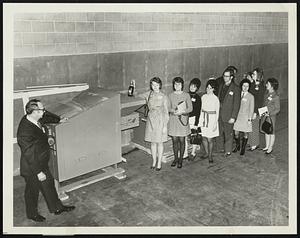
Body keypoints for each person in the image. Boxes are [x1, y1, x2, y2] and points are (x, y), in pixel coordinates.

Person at [17, 99, 75, 222]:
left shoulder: (34, 117)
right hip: (32, 167)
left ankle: (57, 208)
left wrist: (59, 119)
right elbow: (29, 154)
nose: (45, 111)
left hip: (41, 161)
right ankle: (31, 214)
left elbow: (47, 116)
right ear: (34, 112)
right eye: (42, 110)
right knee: (32, 191)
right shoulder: (25, 131)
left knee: (49, 186)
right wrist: (38, 172)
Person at [139, 77, 169, 171]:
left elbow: (166, 112)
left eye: (156, 85)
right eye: (153, 85)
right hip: (151, 119)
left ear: (160, 85)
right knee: (152, 142)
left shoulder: (164, 96)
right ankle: (154, 161)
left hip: (160, 120)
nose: (155, 87)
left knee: (159, 143)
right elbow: (137, 96)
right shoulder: (149, 93)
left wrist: (165, 125)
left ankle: (159, 162)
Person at [168, 77, 193, 168]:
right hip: (174, 120)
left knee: (182, 140)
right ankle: (175, 158)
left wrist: (182, 112)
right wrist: (173, 111)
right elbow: (168, 107)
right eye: (175, 84)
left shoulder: (186, 95)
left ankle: (181, 159)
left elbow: (190, 108)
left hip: (182, 119)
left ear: (182, 85)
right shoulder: (170, 95)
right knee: (174, 140)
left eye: (178, 84)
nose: (177, 86)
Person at [216, 68, 241, 157]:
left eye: (227, 76)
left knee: (228, 134)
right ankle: (220, 148)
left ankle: (228, 150)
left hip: (229, 115)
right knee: (220, 132)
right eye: (224, 76)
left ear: (231, 77)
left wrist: (233, 117)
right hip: (220, 114)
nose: (225, 78)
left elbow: (237, 104)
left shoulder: (236, 88)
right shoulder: (221, 86)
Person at [199, 80, 220, 163]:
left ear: (214, 89)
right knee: (203, 137)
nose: (208, 89)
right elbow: (200, 109)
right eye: (207, 87)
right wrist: (199, 120)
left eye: (210, 88)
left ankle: (210, 155)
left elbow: (217, 112)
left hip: (211, 120)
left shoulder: (215, 99)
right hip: (203, 118)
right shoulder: (203, 97)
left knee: (210, 139)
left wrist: (215, 123)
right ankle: (207, 153)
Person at [232, 79, 255, 156]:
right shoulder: (237, 94)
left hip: (245, 117)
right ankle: (237, 145)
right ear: (241, 86)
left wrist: (249, 119)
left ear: (249, 87)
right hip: (237, 117)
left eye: (247, 86)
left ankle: (243, 148)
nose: (245, 87)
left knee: (245, 133)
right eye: (244, 86)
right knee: (236, 133)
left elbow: (251, 109)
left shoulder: (251, 96)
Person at [248, 67, 266, 151]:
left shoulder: (261, 86)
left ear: (258, 75)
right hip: (250, 108)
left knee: (254, 127)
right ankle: (251, 142)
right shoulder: (253, 84)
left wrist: (255, 112)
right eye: (252, 74)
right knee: (250, 126)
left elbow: (259, 101)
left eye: (254, 74)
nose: (252, 75)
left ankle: (255, 144)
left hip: (256, 110)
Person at [261, 78, 280, 154]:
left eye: (267, 84)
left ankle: (270, 147)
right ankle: (267, 145)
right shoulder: (267, 94)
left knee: (271, 131)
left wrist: (270, 113)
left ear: (272, 86)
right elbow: (264, 104)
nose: (266, 85)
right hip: (265, 115)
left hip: (271, 117)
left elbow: (277, 109)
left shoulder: (276, 96)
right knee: (266, 130)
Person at [185, 78, 202, 161]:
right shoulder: (185, 95)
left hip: (193, 119)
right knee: (184, 136)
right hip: (185, 118)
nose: (192, 87)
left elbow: (198, 112)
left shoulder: (198, 98)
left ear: (197, 88)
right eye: (191, 85)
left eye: (194, 86)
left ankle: (193, 153)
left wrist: (196, 123)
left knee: (194, 136)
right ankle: (184, 153)